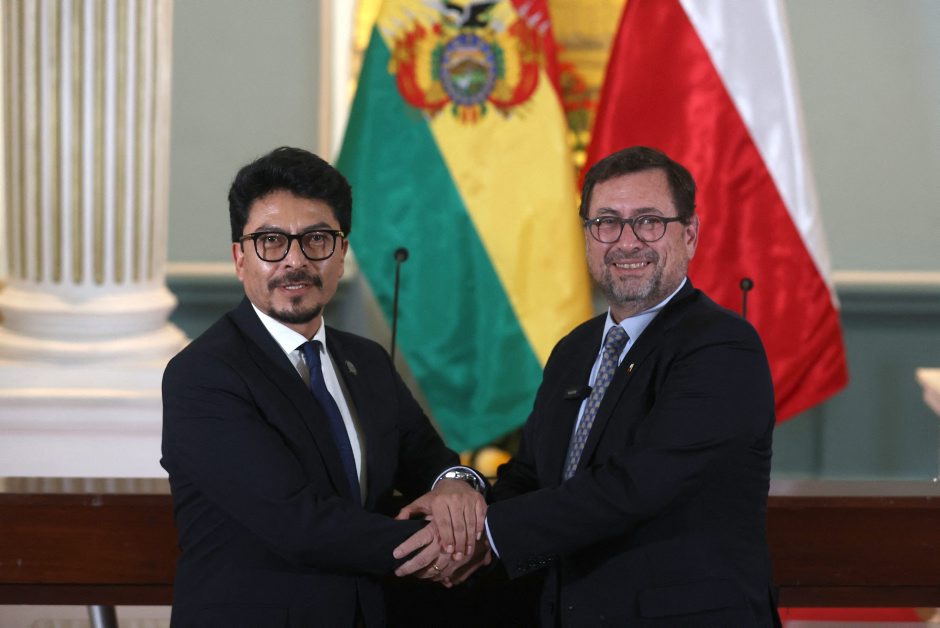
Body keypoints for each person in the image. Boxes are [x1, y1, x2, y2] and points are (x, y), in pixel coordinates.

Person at [396, 146, 780, 625]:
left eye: (648, 221)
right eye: (606, 222)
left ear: (690, 234)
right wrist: (464, 506)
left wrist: (488, 533)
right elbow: (531, 478)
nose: (626, 242)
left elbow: (636, 486)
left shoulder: (722, 346)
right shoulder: (574, 350)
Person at [160, 146, 486, 627]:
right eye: (271, 241)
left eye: (316, 239)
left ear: (342, 252)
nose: (295, 261)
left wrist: (458, 485)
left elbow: (430, 461)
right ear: (239, 258)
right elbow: (296, 523)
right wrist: (455, 544)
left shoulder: (367, 361)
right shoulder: (203, 374)